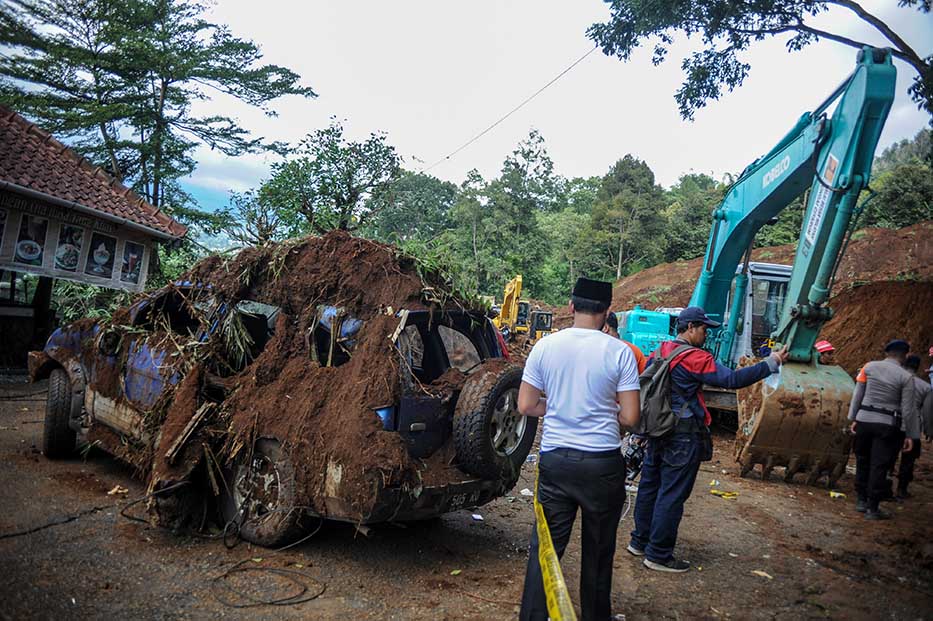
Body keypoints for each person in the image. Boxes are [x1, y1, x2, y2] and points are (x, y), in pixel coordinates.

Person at [628, 306, 788, 573]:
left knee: (650, 486)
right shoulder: (695, 357)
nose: (706, 334)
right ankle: (658, 555)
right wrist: (771, 363)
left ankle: (639, 542)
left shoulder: (661, 350)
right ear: (690, 328)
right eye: (703, 329)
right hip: (682, 434)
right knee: (672, 493)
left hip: (657, 429)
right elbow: (733, 380)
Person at [517, 277, 640, 621]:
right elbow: (630, 416)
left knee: (546, 550)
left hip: (557, 462)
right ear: (607, 311)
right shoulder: (620, 352)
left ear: (571, 307)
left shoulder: (545, 347)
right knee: (599, 553)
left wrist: (557, 406)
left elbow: (525, 405)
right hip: (602, 465)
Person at [848, 339, 918, 520]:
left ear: (887, 353)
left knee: (862, 460)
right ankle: (873, 508)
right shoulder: (906, 377)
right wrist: (909, 434)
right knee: (879, 465)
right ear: (904, 355)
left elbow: (858, 395)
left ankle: (861, 500)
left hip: (864, 420)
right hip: (887, 425)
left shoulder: (868, 367)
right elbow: (908, 408)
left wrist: (854, 418)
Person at [895, 354, 931, 499]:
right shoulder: (926, 387)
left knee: (888, 455)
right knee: (908, 460)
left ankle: (884, 483)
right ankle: (902, 489)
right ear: (918, 368)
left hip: (894, 421)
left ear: (904, 365)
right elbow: (927, 411)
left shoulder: (896, 381)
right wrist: (928, 430)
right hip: (913, 426)